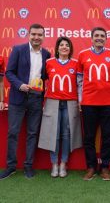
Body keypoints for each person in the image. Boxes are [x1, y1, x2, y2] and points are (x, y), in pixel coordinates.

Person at [0, 24, 50, 180]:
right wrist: (19, 85)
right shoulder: (18, 50)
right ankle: (11, 167)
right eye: (34, 34)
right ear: (28, 34)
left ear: (43, 36)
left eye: (39, 35)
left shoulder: (47, 54)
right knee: (13, 133)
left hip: (36, 98)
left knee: (32, 133)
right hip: (18, 97)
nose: (36, 37)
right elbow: (9, 72)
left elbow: (46, 76)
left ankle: (29, 166)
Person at [77, 27, 110, 181]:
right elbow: (79, 80)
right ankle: (91, 167)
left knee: (108, 136)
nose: (99, 38)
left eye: (102, 36)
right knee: (89, 137)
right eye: (96, 36)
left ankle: (105, 168)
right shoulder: (82, 55)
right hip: (89, 103)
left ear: (106, 38)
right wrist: (80, 99)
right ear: (91, 37)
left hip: (109, 103)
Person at [38, 37, 82, 178]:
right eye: (61, 45)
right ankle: (54, 164)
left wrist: (80, 101)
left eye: (67, 45)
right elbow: (41, 81)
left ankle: (63, 163)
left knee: (66, 134)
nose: (64, 47)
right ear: (57, 48)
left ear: (70, 49)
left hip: (70, 103)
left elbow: (80, 84)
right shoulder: (48, 63)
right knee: (53, 135)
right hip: (52, 102)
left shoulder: (76, 63)